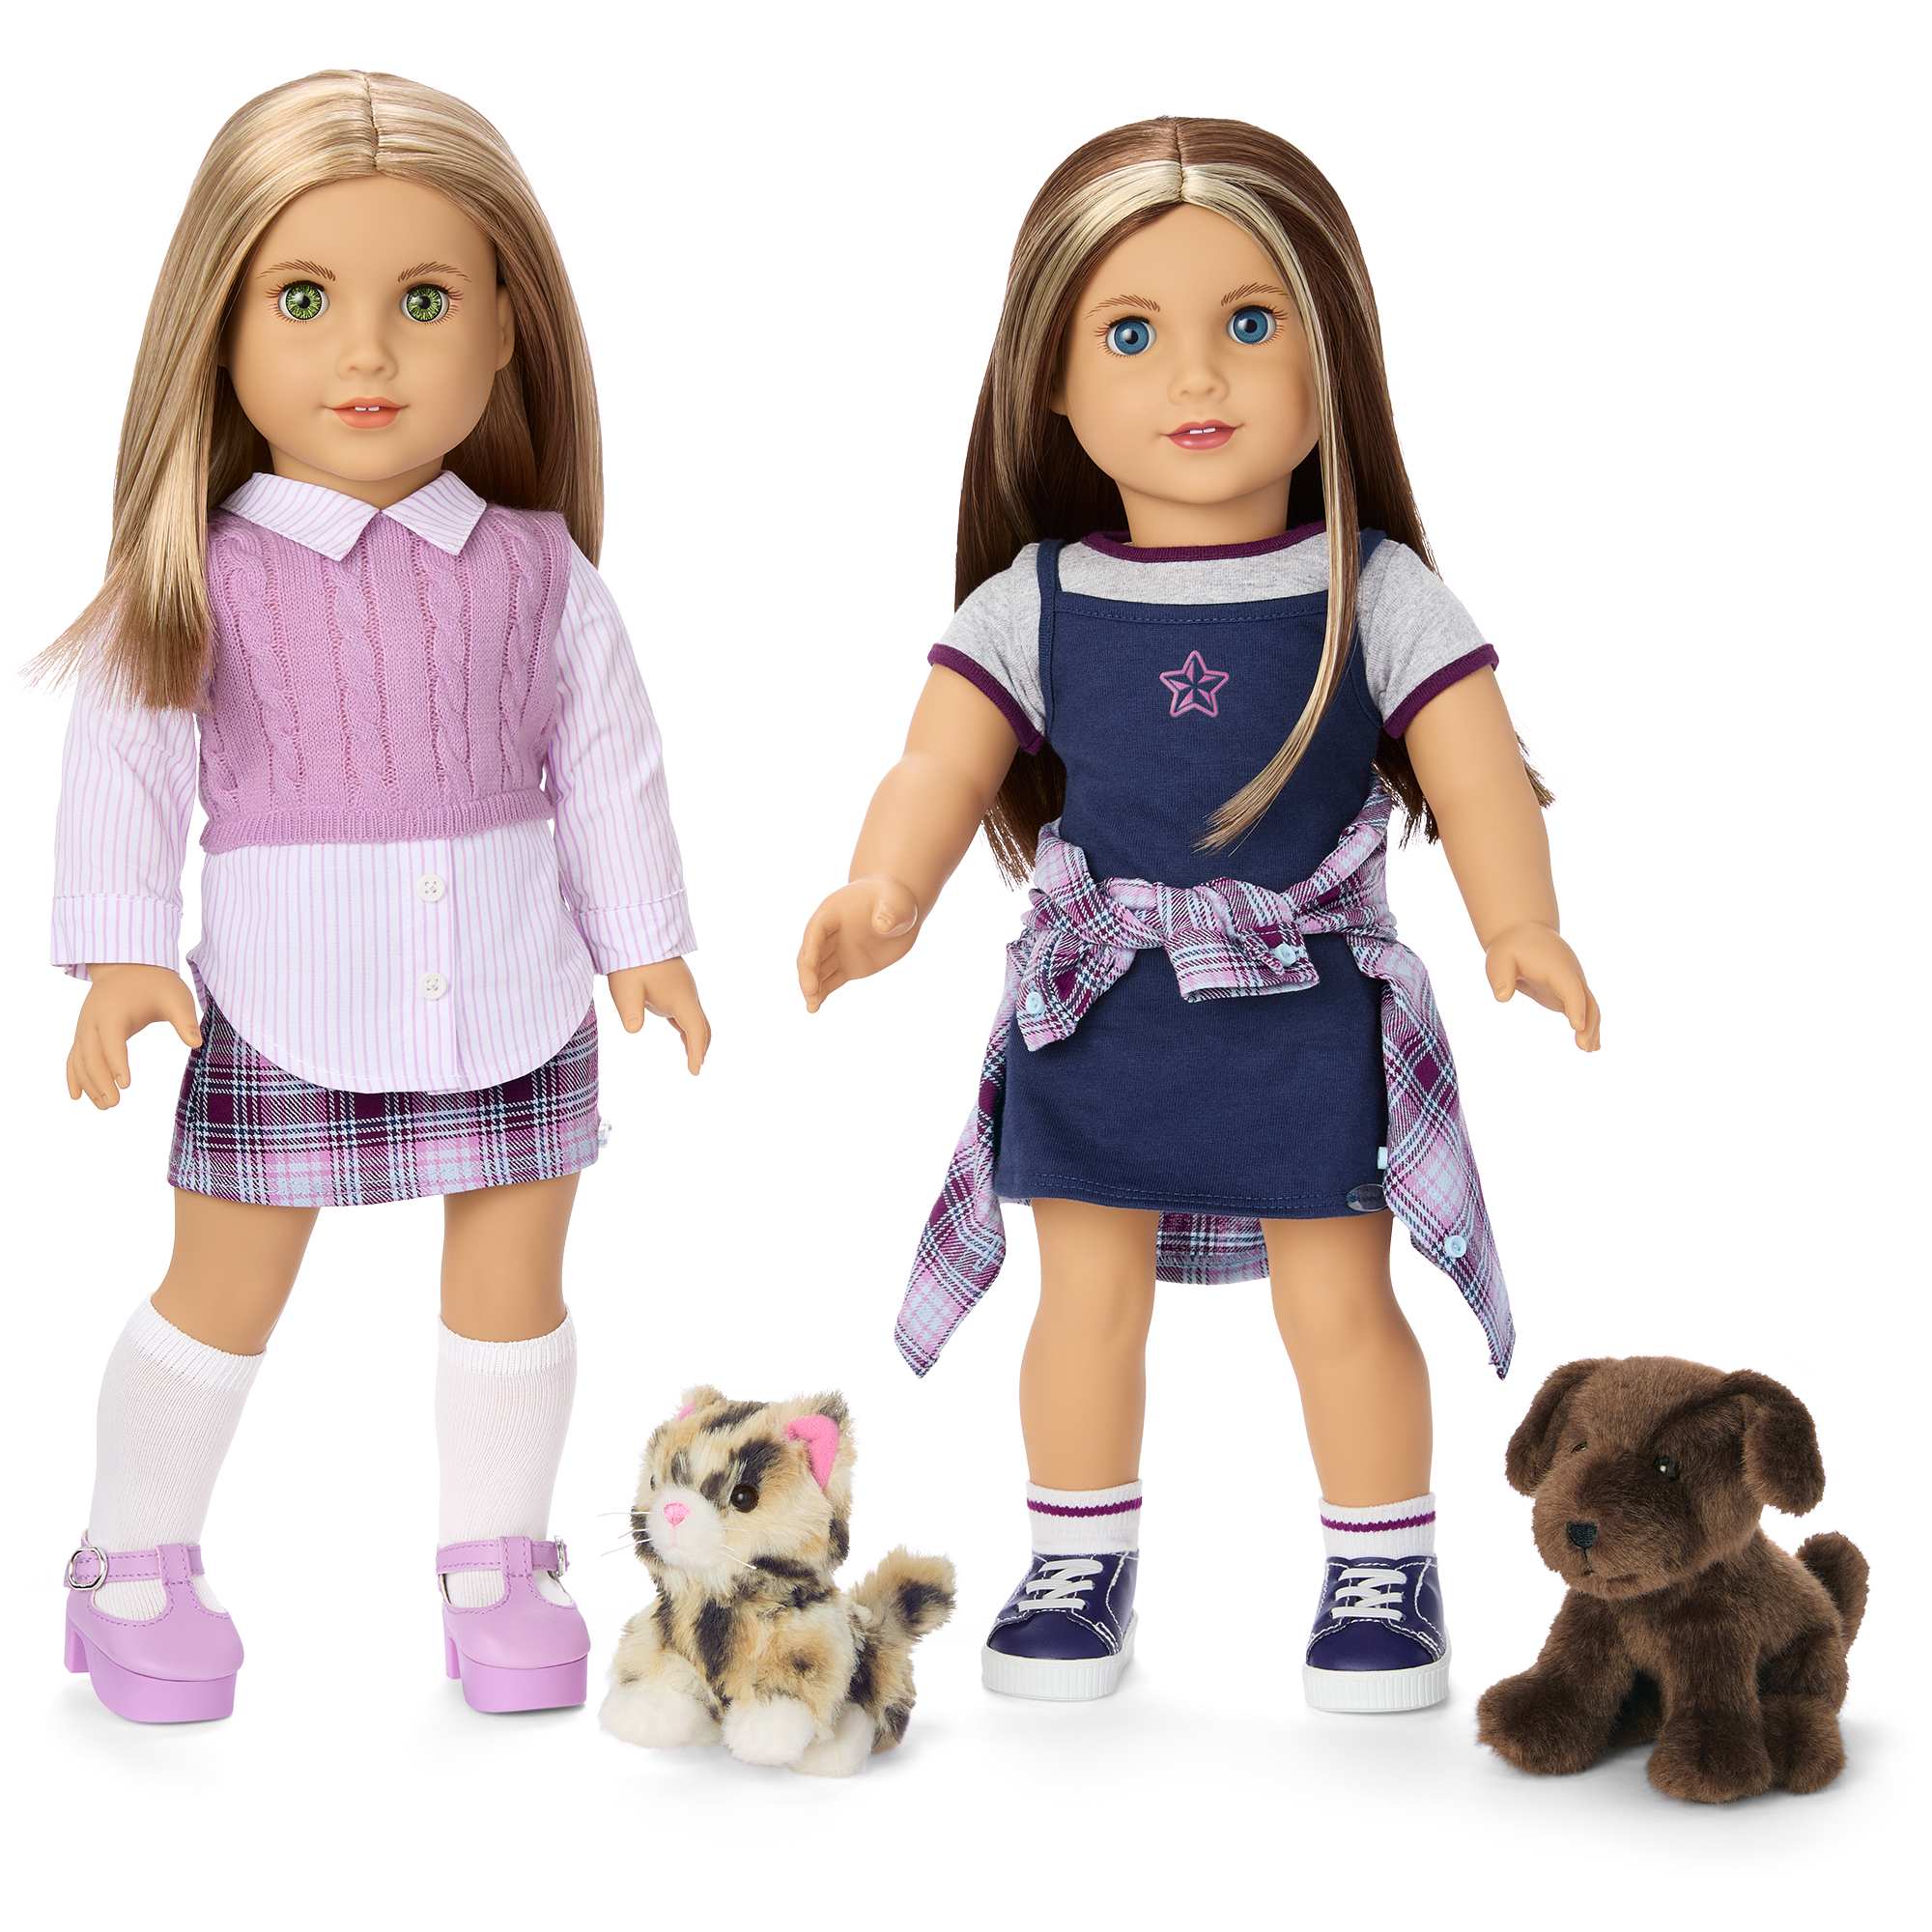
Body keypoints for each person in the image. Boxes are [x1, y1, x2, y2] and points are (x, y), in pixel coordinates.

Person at [797, 116, 1599, 1712]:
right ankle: (1076, 1561)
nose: (1195, 377)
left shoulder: (1372, 587)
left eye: (1248, 322)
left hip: (1304, 1008)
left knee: (1339, 1302)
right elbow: (935, 765)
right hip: (1101, 1008)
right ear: (1050, 381)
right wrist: (885, 889)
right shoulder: (1035, 599)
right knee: (1083, 1303)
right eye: (1131, 334)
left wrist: (1522, 921)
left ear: (1331, 355)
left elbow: (1477, 763)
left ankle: (1383, 1569)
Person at [39, 71, 708, 1724]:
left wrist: (646, 945)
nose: (367, 353)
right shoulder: (197, 576)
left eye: (424, 301)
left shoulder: (542, 570)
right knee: (222, 1292)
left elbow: (609, 763)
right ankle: (132, 1560)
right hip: (286, 993)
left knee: (514, 1290)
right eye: (303, 300)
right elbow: (125, 766)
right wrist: (121, 953)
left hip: (516, 984)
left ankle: (499, 1563)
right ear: (218, 330)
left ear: (506, 331)